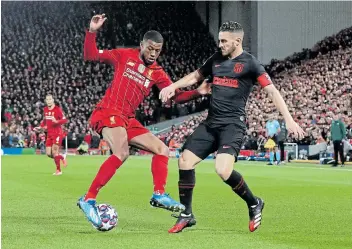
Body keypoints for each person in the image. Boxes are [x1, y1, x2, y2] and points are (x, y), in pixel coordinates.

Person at [160, 21, 305, 233]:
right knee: (184, 161)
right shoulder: (216, 59)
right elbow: (195, 76)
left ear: (238, 41)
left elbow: (272, 91)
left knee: (222, 169)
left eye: (224, 41)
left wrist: (289, 119)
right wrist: (172, 86)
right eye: (219, 40)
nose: (220, 44)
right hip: (211, 123)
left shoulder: (250, 63)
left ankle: (254, 203)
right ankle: (187, 214)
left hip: (232, 125)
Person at [77, 14, 211, 229]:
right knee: (121, 153)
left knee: (162, 150)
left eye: (157, 50)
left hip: (127, 119)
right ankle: (88, 198)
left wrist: (198, 92)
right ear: (141, 45)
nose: (153, 53)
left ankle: (158, 194)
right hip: (108, 111)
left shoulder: (157, 72)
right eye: (150, 48)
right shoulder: (123, 55)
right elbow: (90, 55)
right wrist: (92, 32)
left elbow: (173, 96)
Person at [34, 94, 68, 175]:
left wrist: (56, 121)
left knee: (55, 151)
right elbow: (45, 120)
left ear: (53, 100)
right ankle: (62, 157)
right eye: (47, 99)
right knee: (49, 154)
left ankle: (58, 170)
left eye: (50, 99)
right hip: (49, 134)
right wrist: (40, 127)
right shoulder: (45, 109)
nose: (48, 101)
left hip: (57, 133)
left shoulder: (57, 109)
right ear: (46, 101)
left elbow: (64, 120)